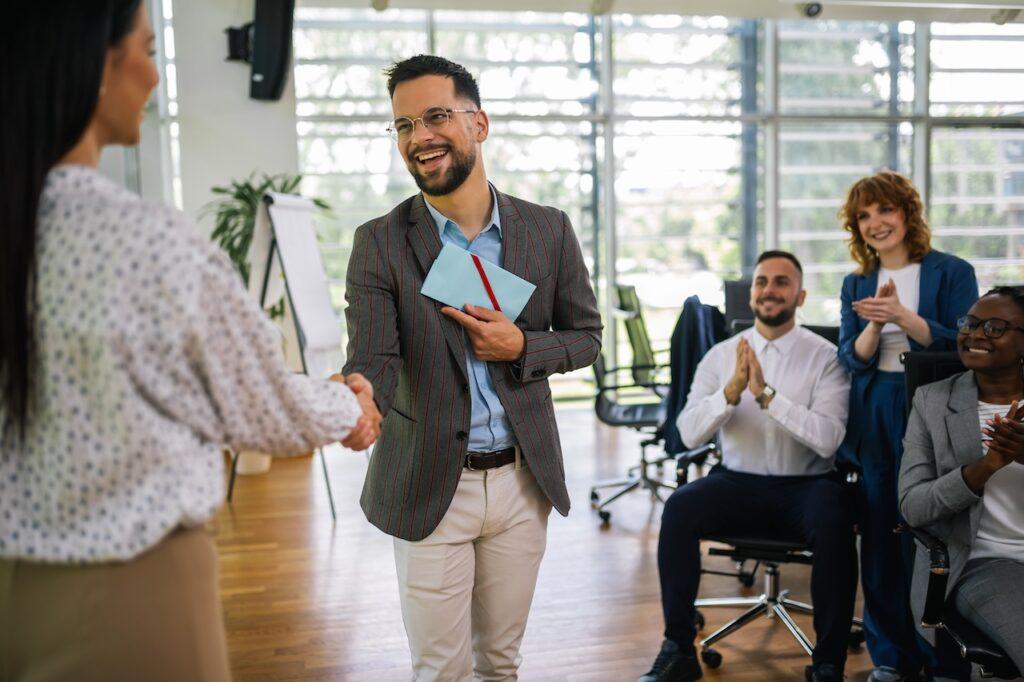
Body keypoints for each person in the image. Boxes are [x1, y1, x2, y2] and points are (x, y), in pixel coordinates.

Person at [0, 3, 381, 680]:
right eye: (145, 49)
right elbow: (259, 404)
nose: (152, 75)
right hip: (133, 591)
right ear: (95, 66)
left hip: (20, 589)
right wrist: (351, 407)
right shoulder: (144, 241)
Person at [341, 55, 602, 681]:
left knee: (502, 663)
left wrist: (522, 347)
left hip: (521, 482)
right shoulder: (380, 241)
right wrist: (358, 395)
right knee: (440, 669)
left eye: (436, 116)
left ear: (478, 123)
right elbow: (373, 356)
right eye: (403, 125)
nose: (419, 137)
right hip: (432, 479)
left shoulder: (547, 231)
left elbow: (587, 338)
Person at [639, 251, 856, 682]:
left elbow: (829, 438)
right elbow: (686, 434)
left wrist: (769, 397)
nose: (768, 290)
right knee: (681, 506)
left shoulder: (827, 358)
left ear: (800, 295)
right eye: (761, 282)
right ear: (752, 292)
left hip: (807, 485)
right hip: (738, 482)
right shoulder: (720, 356)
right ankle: (679, 649)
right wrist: (732, 392)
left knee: (836, 514)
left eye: (780, 282)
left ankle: (829, 663)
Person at [837, 171, 978, 682]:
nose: (876, 223)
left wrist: (903, 314)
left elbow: (967, 347)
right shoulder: (856, 281)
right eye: (864, 216)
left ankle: (943, 657)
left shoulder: (952, 271)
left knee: (933, 529)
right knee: (879, 531)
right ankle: (891, 657)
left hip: (933, 406)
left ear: (907, 212)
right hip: (876, 406)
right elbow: (851, 360)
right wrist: (876, 324)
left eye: (884, 210)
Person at [899, 287, 1024, 675]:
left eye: (993, 326)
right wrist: (985, 467)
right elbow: (913, 506)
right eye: (968, 324)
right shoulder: (932, 403)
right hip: (984, 563)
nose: (974, 334)